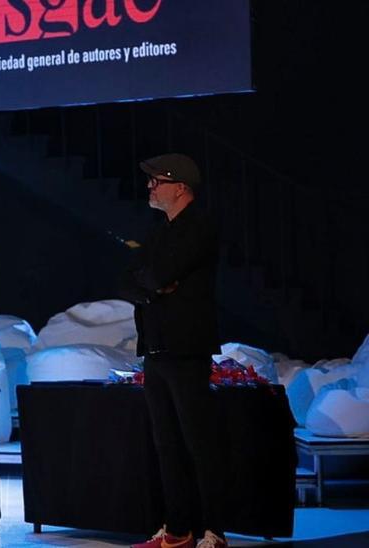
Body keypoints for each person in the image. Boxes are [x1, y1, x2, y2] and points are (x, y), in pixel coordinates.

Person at [119, 154, 226, 548]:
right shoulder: (160, 230)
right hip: (158, 346)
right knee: (166, 443)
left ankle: (213, 530)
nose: (151, 187)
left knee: (198, 441)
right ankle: (178, 529)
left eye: (157, 181)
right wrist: (154, 287)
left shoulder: (199, 225)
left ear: (180, 187)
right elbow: (129, 281)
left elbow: (157, 274)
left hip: (186, 346)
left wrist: (152, 282)